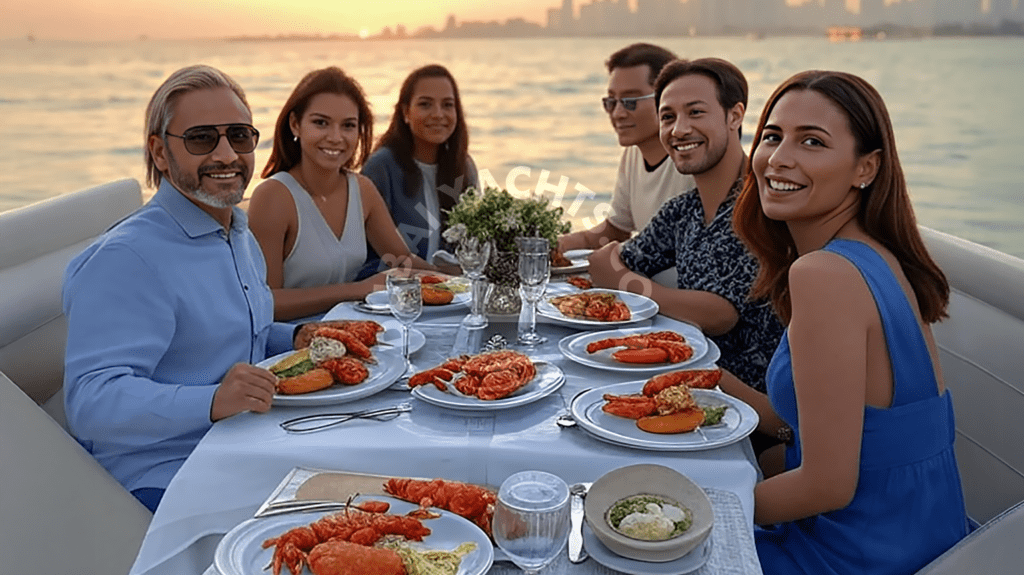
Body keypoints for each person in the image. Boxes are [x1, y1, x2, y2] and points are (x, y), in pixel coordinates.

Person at [62, 65, 351, 512]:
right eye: (201, 138)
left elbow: (229, 332)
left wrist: (295, 336)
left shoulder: (234, 230)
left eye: (238, 136)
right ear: (160, 152)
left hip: (244, 444)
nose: (226, 154)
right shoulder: (128, 258)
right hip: (164, 478)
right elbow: (90, 400)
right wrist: (212, 400)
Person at [733, 70, 968, 574]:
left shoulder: (823, 275)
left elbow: (826, 485)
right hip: (929, 539)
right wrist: (715, 383)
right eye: (772, 136)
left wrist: (689, 511)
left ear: (866, 167)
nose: (779, 158)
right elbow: (831, 427)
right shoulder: (878, 258)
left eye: (812, 142)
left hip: (855, 555)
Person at [588, 58, 784, 399]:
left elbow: (719, 313)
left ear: (735, 116)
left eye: (695, 113)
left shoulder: (762, 204)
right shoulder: (683, 211)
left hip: (758, 408)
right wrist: (632, 281)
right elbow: (603, 262)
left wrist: (628, 283)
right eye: (668, 117)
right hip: (691, 385)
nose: (679, 130)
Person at [248, 67, 437, 321]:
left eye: (348, 126)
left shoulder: (362, 190)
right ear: (295, 124)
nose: (336, 137)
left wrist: (464, 281)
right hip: (292, 345)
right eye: (321, 123)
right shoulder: (273, 197)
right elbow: (266, 303)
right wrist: (357, 290)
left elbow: (404, 263)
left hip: (357, 334)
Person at [558, 43, 694, 268]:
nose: (618, 113)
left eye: (630, 101)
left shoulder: (692, 160)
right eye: (611, 102)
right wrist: (556, 245)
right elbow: (615, 230)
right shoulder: (632, 155)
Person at [357, 64, 478, 279]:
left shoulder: (464, 167)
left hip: (453, 293)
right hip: (392, 293)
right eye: (425, 104)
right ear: (405, 112)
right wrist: (440, 277)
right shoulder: (381, 167)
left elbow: (477, 244)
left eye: (448, 105)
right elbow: (376, 254)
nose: (438, 114)